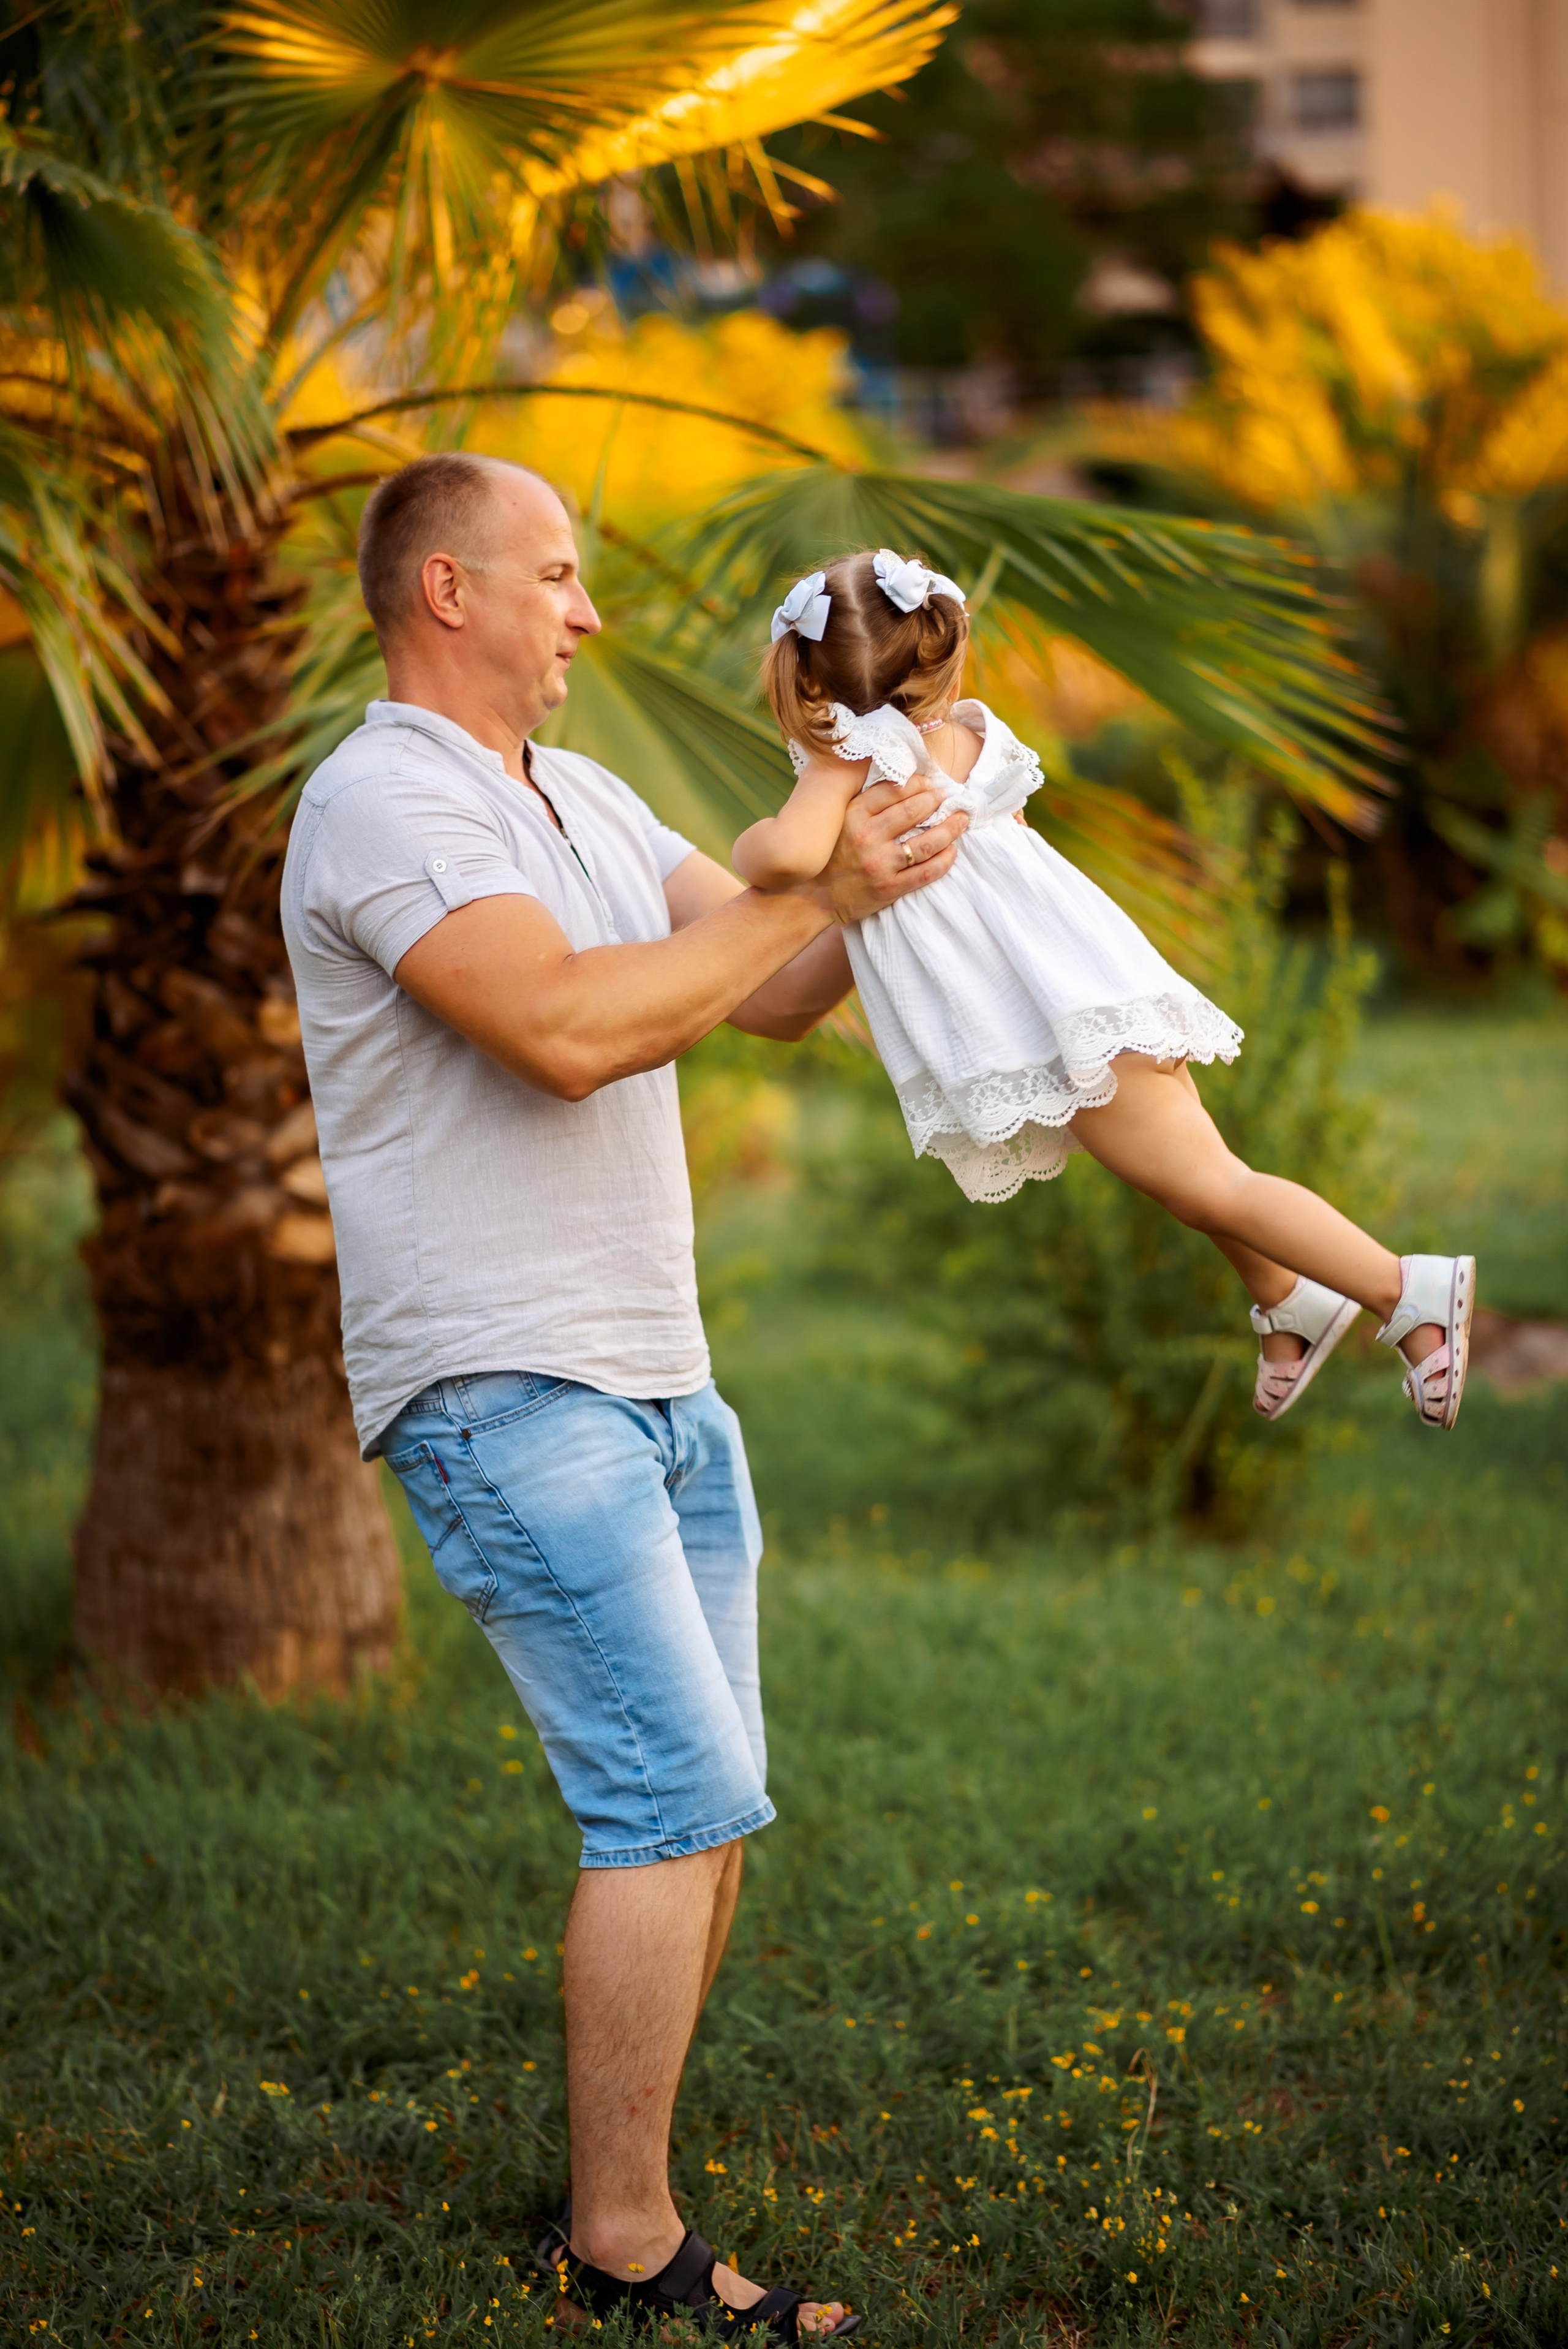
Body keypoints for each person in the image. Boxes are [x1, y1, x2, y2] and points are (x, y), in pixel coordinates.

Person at [281, 460, 968, 2342]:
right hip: (504, 1375)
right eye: (558, 577)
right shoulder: (384, 804)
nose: (586, 614)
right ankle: (624, 2239)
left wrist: (912, 852)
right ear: (447, 589)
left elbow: (771, 985)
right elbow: (574, 1031)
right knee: (668, 1797)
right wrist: (804, 888)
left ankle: (623, 2198)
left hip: (659, 1371)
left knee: (709, 1801)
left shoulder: (572, 791)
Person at [736, 547, 1477, 1431]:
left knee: (1213, 1184)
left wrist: (748, 846)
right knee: (1191, 1176)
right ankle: (1287, 1300)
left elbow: (783, 857)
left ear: (811, 678)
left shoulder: (853, 756)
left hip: (1060, 1012)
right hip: (1082, 987)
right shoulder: (970, 734)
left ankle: (1409, 1292)